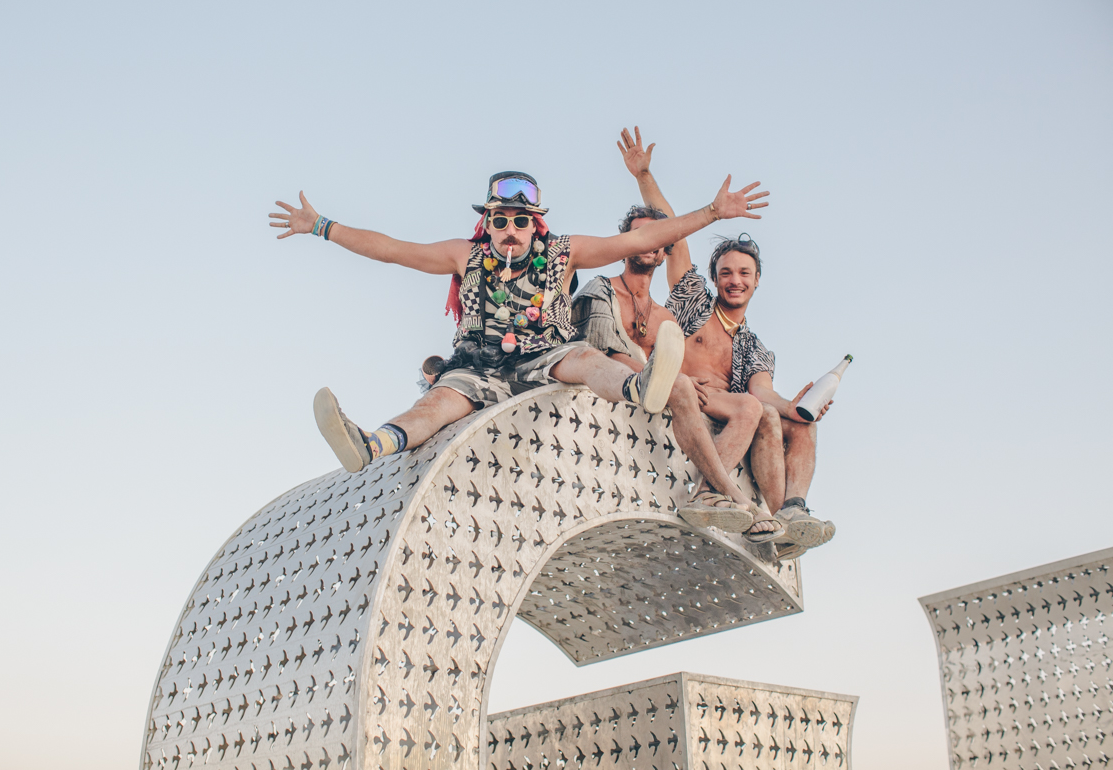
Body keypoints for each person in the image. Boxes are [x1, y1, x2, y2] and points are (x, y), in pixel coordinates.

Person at [269, 169, 784, 541]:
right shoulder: (465, 256)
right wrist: (321, 226)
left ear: (535, 223)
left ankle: (641, 386)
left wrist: (711, 213)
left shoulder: (563, 251)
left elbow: (644, 237)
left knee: (585, 362)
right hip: (479, 366)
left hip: (546, 356)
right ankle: (372, 444)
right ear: (488, 224)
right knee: (436, 405)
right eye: (500, 220)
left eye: (520, 220)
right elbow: (392, 248)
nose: (510, 229)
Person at [570, 127, 781, 539]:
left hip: (673, 406)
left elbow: (675, 233)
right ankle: (735, 498)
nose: (649, 242)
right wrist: (643, 177)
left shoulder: (670, 318)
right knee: (680, 386)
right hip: (616, 399)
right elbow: (601, 354)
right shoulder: (602, 289)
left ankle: (766, 514)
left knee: (756, 410)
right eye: (638, 235)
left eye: (656, 237)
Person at [624, 146, 835, 555]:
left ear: (757, 282)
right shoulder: (694, 300)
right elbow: (673, 233)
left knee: (785, 419)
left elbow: (761, 391)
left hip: (725, 410)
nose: (734, 280)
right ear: (716, 280)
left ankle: (788, 516)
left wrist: (800, 406)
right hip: (676, 396)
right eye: (726, 274)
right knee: (756, 411)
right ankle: (707, 492)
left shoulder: (754, 347)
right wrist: (644, 175)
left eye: (743, 274)